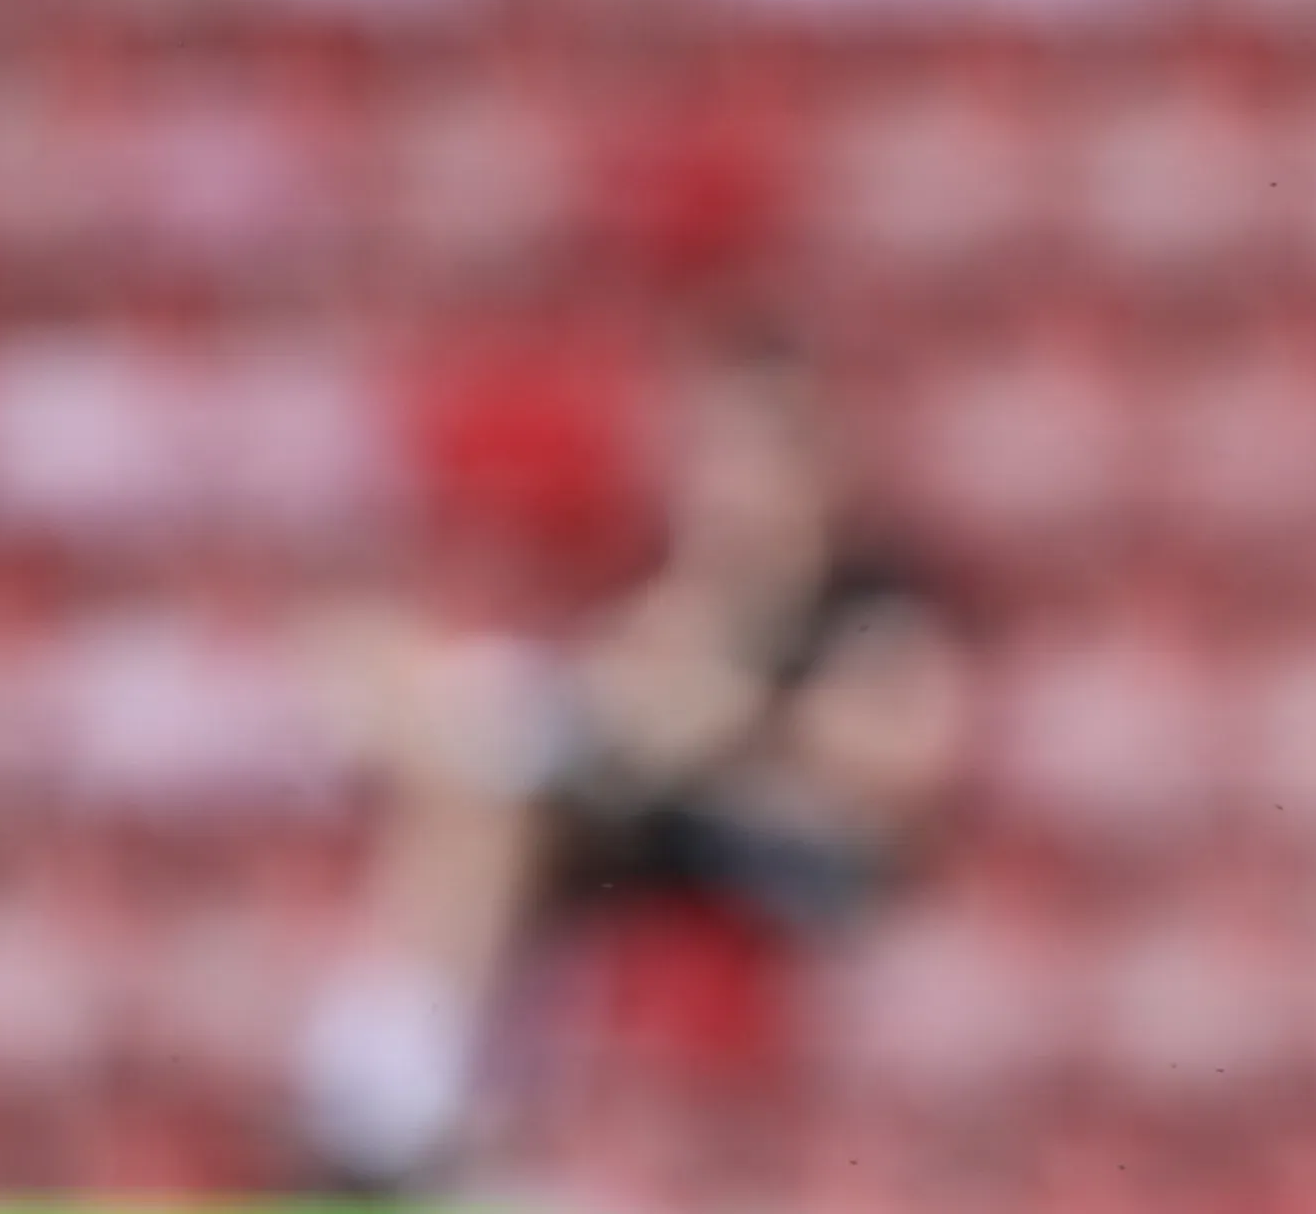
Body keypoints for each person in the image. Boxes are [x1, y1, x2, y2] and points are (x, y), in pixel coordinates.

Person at [291, 342, 970, 1195]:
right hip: (676, 834)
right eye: (715, 457)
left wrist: (749, 715)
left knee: (519, 796)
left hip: (807, 858)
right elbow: (624, 707)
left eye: (752, 456)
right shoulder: (691, 591)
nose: (726, 483)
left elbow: (898, 754)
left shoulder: (871, 595)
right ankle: (422, 1106)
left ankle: (403, 1098)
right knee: (487, 804)